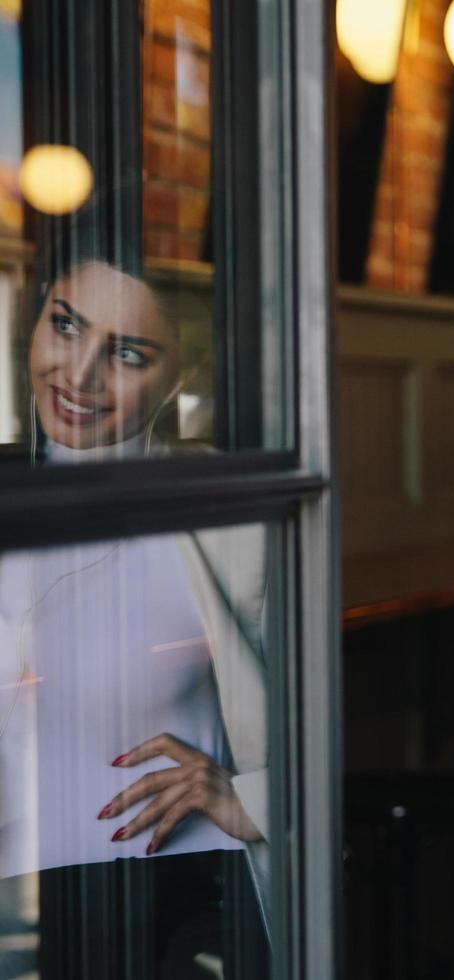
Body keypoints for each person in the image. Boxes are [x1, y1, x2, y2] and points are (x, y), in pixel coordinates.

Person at [0, 239, 270, 977]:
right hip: (15, 909)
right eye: (65, 326)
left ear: (177, 374)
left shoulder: (225, 507)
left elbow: (320, 707)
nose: (78, 375)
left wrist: (254, 797)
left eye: (126, 354)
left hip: (165, 901)